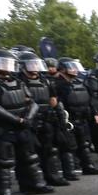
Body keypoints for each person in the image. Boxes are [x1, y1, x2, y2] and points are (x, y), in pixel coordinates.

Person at [0, 49, 55, 195]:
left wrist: (28, 118)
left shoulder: (18, 81)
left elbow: (31, 102)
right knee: (4, 161)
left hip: (22, 125)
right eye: (2, 62)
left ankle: (34, 185)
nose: (5, 67)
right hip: (3, 127)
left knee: (29, 157)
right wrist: (16, 120)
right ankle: (3, 193)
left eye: (7, 63)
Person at [17, 51, 70, 187]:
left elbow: (53, 99)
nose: (34, 67)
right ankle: (29, 183)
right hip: (28, 120)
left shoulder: (45, 80)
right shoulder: (19, 81)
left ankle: (52, 176)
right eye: (31, 64)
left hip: (46, 118)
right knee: (29, 154)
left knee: (49, 150)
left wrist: (58, 116)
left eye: (36, 64)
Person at [54, 57, 98, 176]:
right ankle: (69, 171)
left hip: (82, 118)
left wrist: (95, 114)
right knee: (68, 146)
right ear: (62, 69)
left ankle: (88, 166)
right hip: (68, 120)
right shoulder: (57, 84)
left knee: (84, 144)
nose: (74, 70)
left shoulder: (80, 82)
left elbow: (90, 100)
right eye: (71, 67)